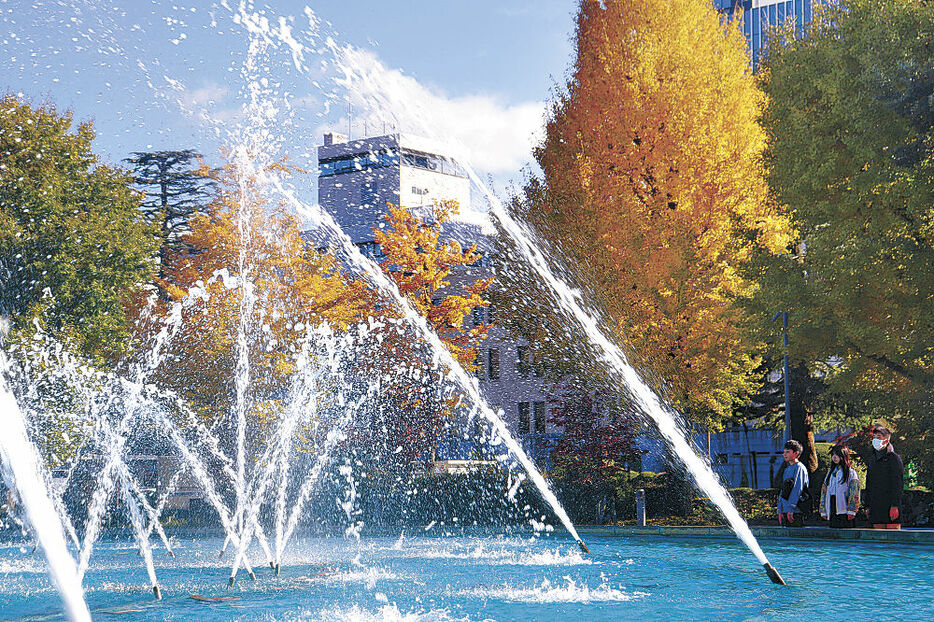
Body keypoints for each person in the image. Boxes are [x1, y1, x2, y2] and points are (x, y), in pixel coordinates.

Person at [865, 426, 903, 529]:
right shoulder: (872, 459)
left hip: (890, 504)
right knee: (878, 539)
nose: (875, 440)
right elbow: (869, 483)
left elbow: (898, 484)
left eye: (878, 437)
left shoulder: (894, 458)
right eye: (874, 437)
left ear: (886, 440)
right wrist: (867, 506)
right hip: (876, 505)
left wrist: (895, 505)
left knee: (893, 537)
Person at [819, 444, 860, 528]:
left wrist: (852, 510)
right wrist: (823, 510)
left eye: (837, 455)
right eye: (833, 455)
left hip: (844, 507)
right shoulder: (830, 473)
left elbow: (854, 491)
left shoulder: (850, 472)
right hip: (832, 505)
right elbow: (824, 491)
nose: (834, 457)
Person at [777, 440, 809, 527]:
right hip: (786, 510)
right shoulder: (787, 469)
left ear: (796, 453)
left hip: (796, 511)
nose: (784, 454)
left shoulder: (800, 468)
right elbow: (784, 490)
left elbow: (797, 489)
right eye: (784, 452)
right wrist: (780, 510)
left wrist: (791, 508)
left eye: (788, 452)